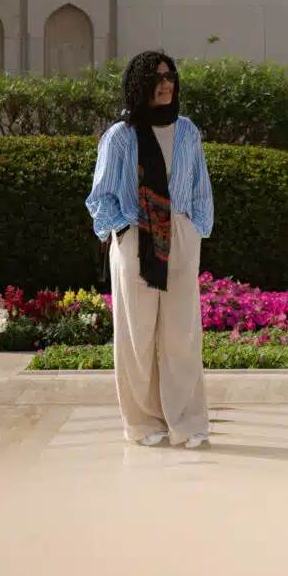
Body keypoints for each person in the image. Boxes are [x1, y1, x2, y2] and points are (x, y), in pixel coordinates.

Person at [85, 50, 214, 449]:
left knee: (182, 335)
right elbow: (100, 196)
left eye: (170, 75)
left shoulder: (188, 131)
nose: (166, 83)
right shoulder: (120, 136)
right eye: (157, 76)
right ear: (139, 84)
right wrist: (123, 230)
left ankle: (188, 422)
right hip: (135, 238)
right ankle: (142, 422)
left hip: (179, 234)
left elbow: (200, 187)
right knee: (136, 336)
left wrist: (193, 228)